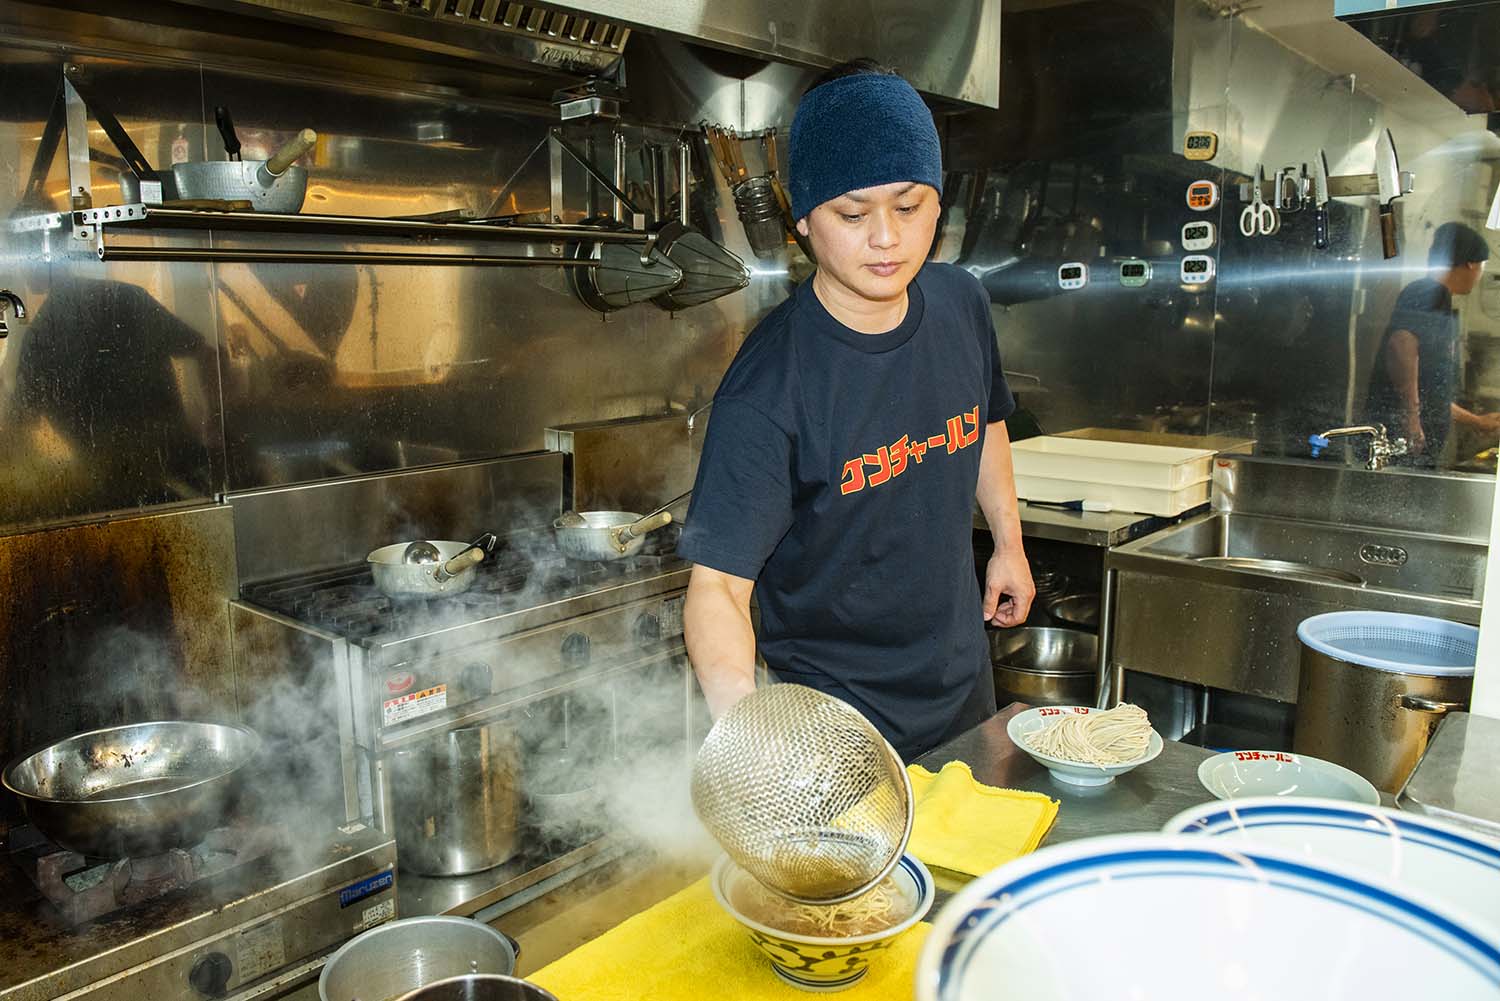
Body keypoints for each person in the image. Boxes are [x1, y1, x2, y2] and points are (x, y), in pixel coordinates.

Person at [677, 60, 1035, 761]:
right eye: (852, 213)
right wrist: (746, 733)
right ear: (804, 220)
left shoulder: (961, 303)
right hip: (839, 731)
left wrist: (1009, 544)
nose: (886, 238)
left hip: (965, 696)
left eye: (908, 206)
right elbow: (716, 587)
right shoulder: (770, 385)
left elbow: (986, 420)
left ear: (938, 203)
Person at [1367, 222, 1495, 466]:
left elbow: (1432, 395)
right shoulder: (1428, 291)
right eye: (1482, 266)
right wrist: (1411, 417)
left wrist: (1477, 422)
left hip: (1415, 441)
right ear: (1471, 263)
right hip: (1401, 439)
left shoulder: (1436, 296)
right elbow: (1401, 343)